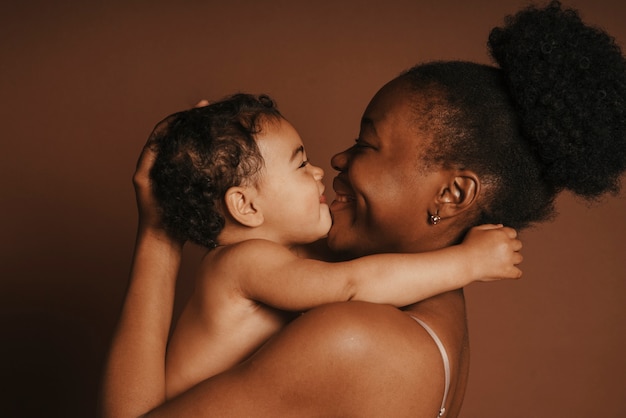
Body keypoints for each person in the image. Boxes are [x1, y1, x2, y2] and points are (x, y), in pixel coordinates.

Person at [100, 2, 626, 417]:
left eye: (366, 144)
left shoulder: (356, 340)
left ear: (452, 195)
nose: (333, 161)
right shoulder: (423, 304)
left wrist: (159, 236)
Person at [146, 94, 522, 398]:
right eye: (301, 164)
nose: (321, 170)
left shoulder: (260, 260)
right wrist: (468, 262)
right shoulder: (243, 261)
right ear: (246, 205)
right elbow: (351, 285)